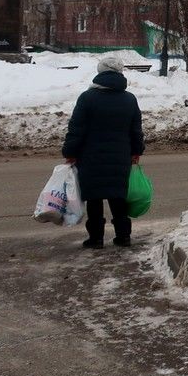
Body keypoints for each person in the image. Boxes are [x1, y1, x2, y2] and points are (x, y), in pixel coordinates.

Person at [62, 56, 145, 248]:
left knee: (94, 198)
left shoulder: (87, 98)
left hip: (91, 158)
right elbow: (136, 131)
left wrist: (69, 151)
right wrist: (136, 151)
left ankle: (96, 238)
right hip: (120, 157)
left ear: (100, 73)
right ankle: (124, 237)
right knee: (118, 197)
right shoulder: (129, 99)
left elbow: (76, 129)